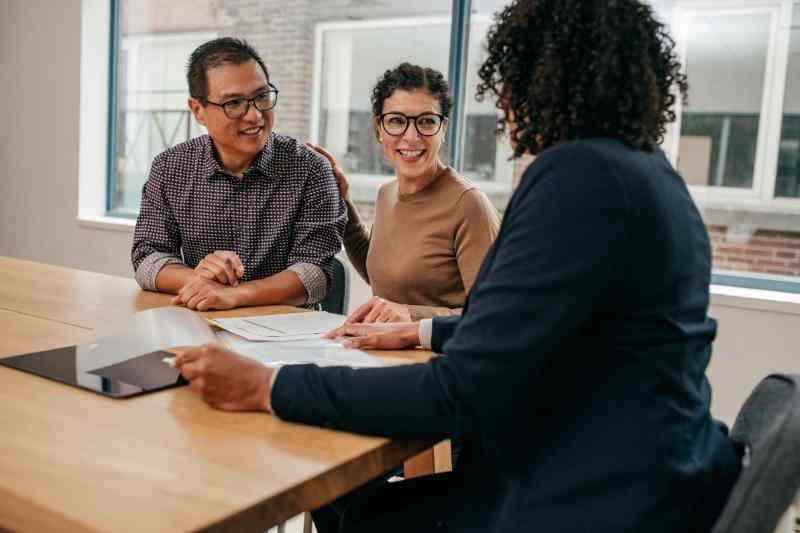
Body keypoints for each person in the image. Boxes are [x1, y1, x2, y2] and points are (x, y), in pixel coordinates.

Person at [172, 1, 743, 532]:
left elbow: (462, 389)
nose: (506, 105)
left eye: (511, 84)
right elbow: (537, 325)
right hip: (652, 465)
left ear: (542, 81)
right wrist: (422, 330)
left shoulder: (577, 178)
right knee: (347, 496)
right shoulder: (644, 171)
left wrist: (269, 384)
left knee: (353, 506)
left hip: (595, 496)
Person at [131, 38, 346, 311]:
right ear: (198, 110)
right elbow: (148, 257)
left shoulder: (311, 169)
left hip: (286, 334)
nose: (255, 115)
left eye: (261, 96)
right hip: (201, 321)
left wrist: (235, 295)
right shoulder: (170, 167)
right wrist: (199, 279)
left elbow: (315, 274)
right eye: (234, 103)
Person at [309, 63, 500, 323]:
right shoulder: (385, 194)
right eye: (397, 121)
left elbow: (493, 315)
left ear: (443, 129)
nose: (411, 137)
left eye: (426, 121)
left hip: (440, 358)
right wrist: (343, 201)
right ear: (379, 128)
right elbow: (389, 277)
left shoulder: (469, 204)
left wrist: (410, 314)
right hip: (386, 350)